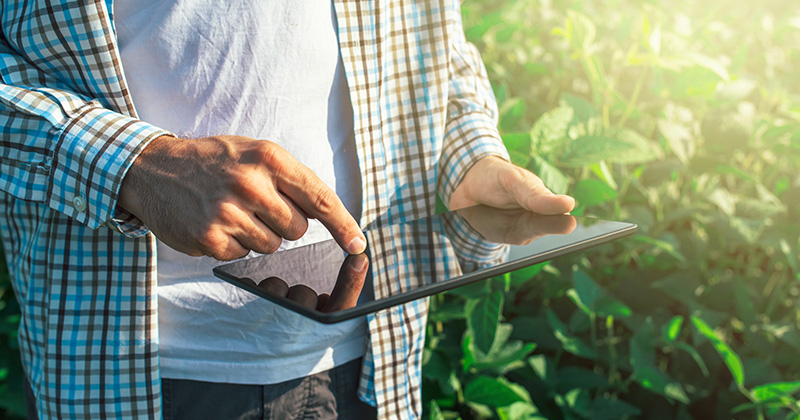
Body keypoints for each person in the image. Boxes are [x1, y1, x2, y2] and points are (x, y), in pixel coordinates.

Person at [0, 0, 575, 419]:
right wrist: (134, 165)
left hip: (373, 364)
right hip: (142, 374)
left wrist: (468, 157)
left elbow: (433, 48)